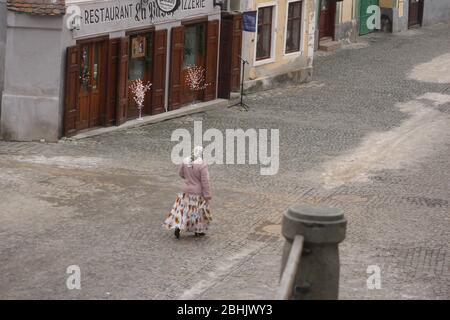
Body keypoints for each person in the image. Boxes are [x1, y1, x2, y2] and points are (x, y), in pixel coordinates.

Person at [163, 146, 212, 239]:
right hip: (197, 193)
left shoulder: (185, 161)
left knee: (182, 210)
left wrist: (188, 178)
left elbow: (181, 173)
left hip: (185, 191)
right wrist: (207, 195)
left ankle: (178, 226)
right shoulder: (202, 165)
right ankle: (198, 230)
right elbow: (205, 182)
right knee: (196, 212)